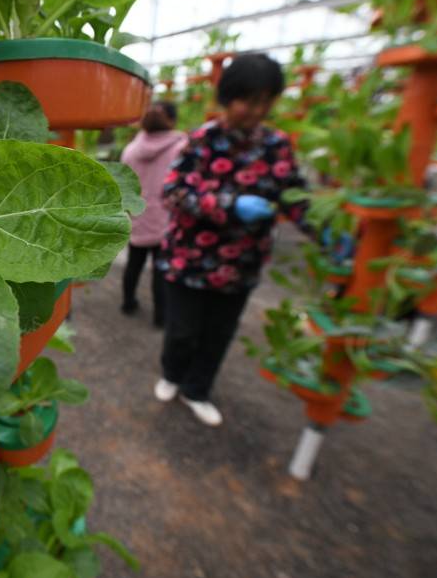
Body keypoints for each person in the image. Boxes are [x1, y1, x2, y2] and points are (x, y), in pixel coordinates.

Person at [153, 53, 309, 427]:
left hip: (241, 263)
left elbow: (296, 197)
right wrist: (229, 204)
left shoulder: (278, 145)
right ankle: (172, 374)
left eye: (265, 101)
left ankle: (197, 389)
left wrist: (327, 229)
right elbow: (173, 192)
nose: (256, 110)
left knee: (219, 334)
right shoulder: (202, 141)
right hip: (189, 258)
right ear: (228, 97)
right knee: (183, 331)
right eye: (248, 100)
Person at [119, 101, 187, 327]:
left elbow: (123, 185)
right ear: (173, 120)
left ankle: (128, 303)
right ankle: (161, 317)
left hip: (138, 217)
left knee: (134, 265)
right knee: (161, 271)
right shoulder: (181, 148)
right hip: (165, 221)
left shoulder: (130, 150)